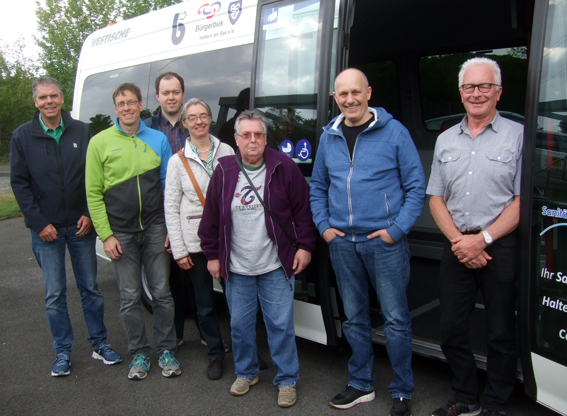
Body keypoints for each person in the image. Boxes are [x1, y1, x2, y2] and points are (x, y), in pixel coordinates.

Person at [310, 68, 426, 416]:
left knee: (395, 319)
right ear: (336, 98)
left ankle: (402, 390)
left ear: (369, 92)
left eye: (356, 92)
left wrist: (397, 229)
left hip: (384, 243)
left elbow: (416, 186)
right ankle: (361, 384)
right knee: (353, 318)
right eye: (343, 94)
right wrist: (324, 227)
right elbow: (317, 186)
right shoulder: (328, 136)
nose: (350, 100)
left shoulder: (394, 132)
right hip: (342, 244)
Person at [198, 109, 317, 408]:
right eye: (247, 135)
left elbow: (304, 211)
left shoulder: (284, 166)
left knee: (280, 326)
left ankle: (287, 379)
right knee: (239, 326)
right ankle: (246, 372)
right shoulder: (224, 170)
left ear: (266, 137)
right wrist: (212, 256)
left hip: (276, 265)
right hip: (237, 266)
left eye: (259, 134)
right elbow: (211, 219)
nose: (253, 140)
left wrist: (305, 246)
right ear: (236, 139)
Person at [427, 57, 523, 416]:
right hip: (457, 244)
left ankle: (496, 404)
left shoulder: (518, 136)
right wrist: (460, 242)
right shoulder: (445, 139)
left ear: (498, 92)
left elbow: (522, 202)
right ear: (460, 92)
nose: (476, 93)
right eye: (469, 87)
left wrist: (482, 239)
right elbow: (435, 199)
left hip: (500, 245)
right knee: (451, 329)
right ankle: (466, 396)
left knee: (501, 331)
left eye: (485, 86)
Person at [10, 76, 121, 377]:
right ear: (35, 102)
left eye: (54, 96)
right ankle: (63, 351)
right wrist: (39, 223)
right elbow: (20, 184)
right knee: (55, 295)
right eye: (43, 97)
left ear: (62, 98)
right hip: (46, 231)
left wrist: (88, 212)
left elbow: (94, 175)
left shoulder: (81, 131)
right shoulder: (22, 136)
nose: (49, 102)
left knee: (90, 289)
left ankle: (99, 343)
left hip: (81, 226)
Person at [85, 82, 180, 381]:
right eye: (120, 103)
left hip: (155, 227)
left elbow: (168, 187)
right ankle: (139, 352)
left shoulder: (158, 139)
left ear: (141, 105)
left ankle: (166, 350)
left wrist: (170, 228)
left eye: (131, 102)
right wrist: (106, 235)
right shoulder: (99, 142)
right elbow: (93, 193)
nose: (126, 107)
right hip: (120, 232)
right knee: (129, 296)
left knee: (162, 293)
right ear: (115, 108)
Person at [164, 98, 234, 380]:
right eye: (192, 117)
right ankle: (215, 354)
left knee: (237, 300)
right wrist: (179, 250)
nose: (199, 121)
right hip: (195, 242)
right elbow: (171, 207)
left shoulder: (227, 150)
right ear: (184, 123)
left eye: (203, 115)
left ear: (210, 118)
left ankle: (246, 351)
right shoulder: (176, 161)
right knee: (204, 304)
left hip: (228, 238)